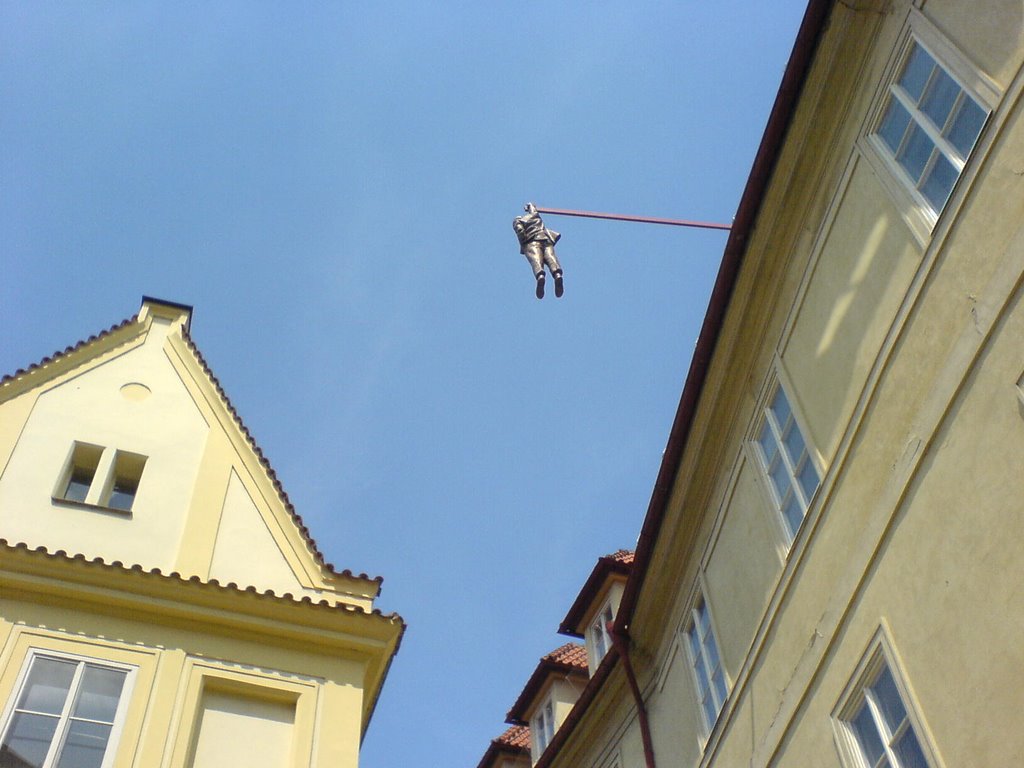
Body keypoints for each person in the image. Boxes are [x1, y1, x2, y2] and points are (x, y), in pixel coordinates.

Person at [513, 203, 564, 299]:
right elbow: (533, 209)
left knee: (536, 261)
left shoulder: (518, 221)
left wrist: (523, 240)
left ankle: (540, 276)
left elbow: (520, 231)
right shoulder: (535, 215)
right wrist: (530, 206)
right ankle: (557, 274)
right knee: (551, 258)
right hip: (545, 238)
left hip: (532, 242)